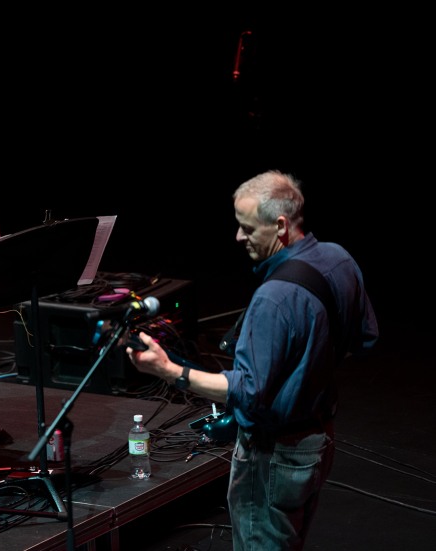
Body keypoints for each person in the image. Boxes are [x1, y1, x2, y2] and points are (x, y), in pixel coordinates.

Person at [126, 170, 378, 550]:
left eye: (246, 227)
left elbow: (246, 391)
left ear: (279, 225)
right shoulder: (339, 259)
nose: (238, 237)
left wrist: (169, 370)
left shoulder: (274, 298)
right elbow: (364, 338)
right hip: (319, 439)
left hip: (273, 454)